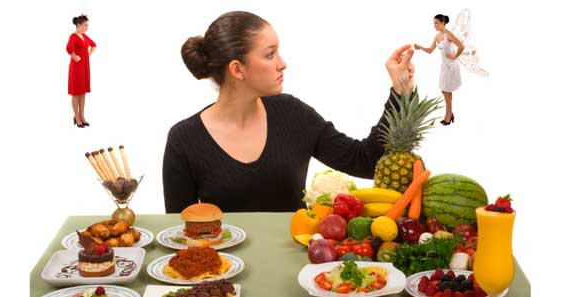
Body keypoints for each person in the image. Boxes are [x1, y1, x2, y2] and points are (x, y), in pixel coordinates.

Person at [163, 11, 415, 213]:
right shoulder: (184, 139)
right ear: (238, 69)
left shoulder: (293, 114)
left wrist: (400, 91)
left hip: (299, 269)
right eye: (270, 54)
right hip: (222, 272)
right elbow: (177, 232)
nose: (282, 63)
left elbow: (366, 162)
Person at [414, 14, 464, 125]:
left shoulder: (449, 35)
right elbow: (430, 50)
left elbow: (461, 46)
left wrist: (455, 56)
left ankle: (448, 114)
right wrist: (420, 47)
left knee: (446, 90)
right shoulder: (437, 36)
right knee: (445, 90)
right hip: (444, 65)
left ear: (442, 23)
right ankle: (449, 113)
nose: (434, 25)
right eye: (434, 23)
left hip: (451, 65)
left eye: (436, 23)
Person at [66, 14, 96, 128]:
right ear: (78, 25)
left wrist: (89, 54)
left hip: (84, 68)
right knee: (75, 93)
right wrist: (74, 56)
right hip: (76, 68)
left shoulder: (85, 36)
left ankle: (82, 115)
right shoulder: (73, 36)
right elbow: (68, 48)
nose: (86, 28)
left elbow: (94, 45)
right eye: (85, 25)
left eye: (87, 26)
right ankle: (76, 117)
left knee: (83, 93)